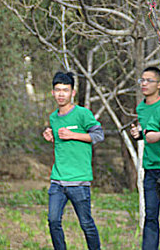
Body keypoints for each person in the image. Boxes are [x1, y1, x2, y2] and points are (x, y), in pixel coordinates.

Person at [42, 71, 104, 250]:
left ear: (73, 93)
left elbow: (99, 135)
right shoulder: (53, 117)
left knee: (86, 224)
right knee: (53, 221)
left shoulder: (83, 113)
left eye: (65, 90)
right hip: (58, 180)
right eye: (58, 90)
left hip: (79, 181)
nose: (61, 94)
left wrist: (73, 135)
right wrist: (51, 136)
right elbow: (61, 141)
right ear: (53, 93)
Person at [130, 66, 160, 249]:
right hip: (150, 167)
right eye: (141, 80)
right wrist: (139, 134)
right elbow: (147, 131)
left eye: (148, 80)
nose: (143, 84)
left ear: (159, 84)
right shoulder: (141, 107)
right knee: (150, 215)